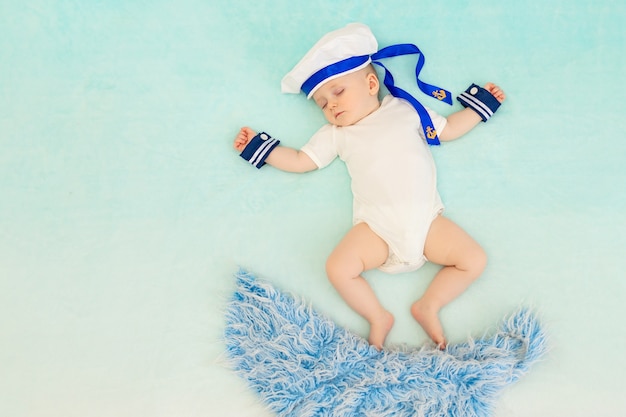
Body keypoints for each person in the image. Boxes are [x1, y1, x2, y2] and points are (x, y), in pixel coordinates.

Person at [233, 23, 506, 349]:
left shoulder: (405, 110)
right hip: (377, 230)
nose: (331, 105)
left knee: (473, 260)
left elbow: (447, 129)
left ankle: (428, 305)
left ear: (372, 83)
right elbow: (301, 161)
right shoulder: (337, 135)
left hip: (426, 223)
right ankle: (378, 316)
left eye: (337, 92)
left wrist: (479, 107)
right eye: (322, 103)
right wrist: (262, 149)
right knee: (337, 268)